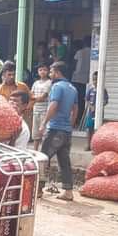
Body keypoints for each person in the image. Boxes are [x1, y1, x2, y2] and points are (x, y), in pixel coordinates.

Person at [37, 61, 78, 202]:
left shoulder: (57, 87)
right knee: (64, 161)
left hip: (55, 129)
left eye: (51, 71)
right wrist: (70, 126)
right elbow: (75, 110)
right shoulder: (73, 88)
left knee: (43, 159)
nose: (49, 74)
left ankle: (38, 190)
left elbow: (53, 106)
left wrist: (43, 123)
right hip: (66, 131)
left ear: (57, 72)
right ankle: (68, 191)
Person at [82, 70, 108, 150]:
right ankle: (88, 145)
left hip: (99, 114)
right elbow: (86, 99)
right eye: (93, 79)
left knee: (97, 129)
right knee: (88, 129)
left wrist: (99, 106)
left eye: (96, 79)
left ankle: (96, 146)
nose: (95, 81)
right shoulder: (90, 89)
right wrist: (90, 106)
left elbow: (106, 101)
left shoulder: (103, 90)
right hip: (91, 113)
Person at [30, 63, 53, 139]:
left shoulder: (50, 83)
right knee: (35, 134)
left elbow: (43, 97)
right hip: (35, 110)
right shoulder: (35, 83)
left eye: (45, 70)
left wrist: (35, 98)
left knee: (44, 133)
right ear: (38, 71)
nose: (42, 72)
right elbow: (31, 95)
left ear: (48, 71)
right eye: (40, 70)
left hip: (45, 111)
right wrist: (36, 98)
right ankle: (35, 150)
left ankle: (43, 150)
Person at [72, 36, 92, 117]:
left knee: (77, 100)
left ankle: (77, 118)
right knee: (84, 99)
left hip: (77, 78)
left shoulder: (79, 52)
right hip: (86, 79)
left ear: (84, 43)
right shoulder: (92, 52)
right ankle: (81, 117)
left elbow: (74, 64)